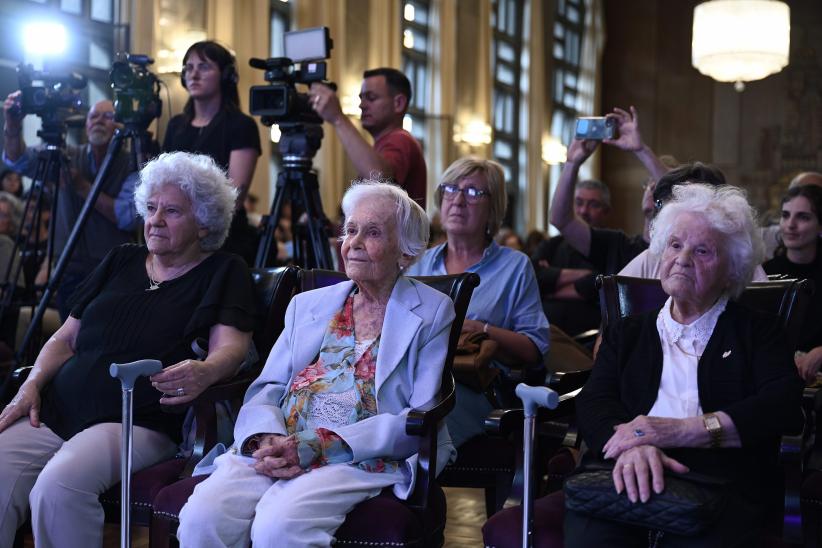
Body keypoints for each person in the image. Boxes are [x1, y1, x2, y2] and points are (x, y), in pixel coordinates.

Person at [177, 181, 455, 547]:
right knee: (202, 517)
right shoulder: (307, 306)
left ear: (404, 252)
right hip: (279, 442)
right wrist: (267, 436)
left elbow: (417, 416)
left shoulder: (432, 311)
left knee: (279, 526)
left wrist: (316, 445)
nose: (353, 242)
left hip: (355, 455)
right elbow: (267, 388)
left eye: (372, 233)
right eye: (350, 230)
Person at [0, 151, 255, 548]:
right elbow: (64, 340)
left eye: (172, 211)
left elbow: (232, 349)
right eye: (151, 208)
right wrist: (31, 384)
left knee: (58, 486)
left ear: (204, 222)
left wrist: (205, 371)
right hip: (58, 407)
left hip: (139, 417)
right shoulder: (122, 259)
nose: (155, 220)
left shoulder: (224, 271)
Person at [565, 184, 803, 547]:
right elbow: (595, 401)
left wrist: (677, 431)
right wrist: (635, 445)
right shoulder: (627, 332)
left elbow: (780, 406)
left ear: (731, 270)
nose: (683, 258)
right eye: (675, 245)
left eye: (702, 250)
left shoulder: (758, 331)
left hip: (719, 486)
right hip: (625, 474)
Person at [407, 157, 549, 447]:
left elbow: (535, 349)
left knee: (423, 417)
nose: (458, 200)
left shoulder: (515, 266)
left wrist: (481, 329)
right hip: (415, 381)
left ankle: (411, 485)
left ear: (492, 208)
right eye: (450, 189)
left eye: (472, 192)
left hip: (479, 388)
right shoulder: (420, 264)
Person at [2, 97, 136, 319]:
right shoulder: (67, 156)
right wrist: (13, 127)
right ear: (85, 124)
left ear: (120, 126)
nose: (99, 121)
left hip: (113, 272)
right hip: (70, 272)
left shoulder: (131, 162)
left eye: (108, 116)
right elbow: (18, 160)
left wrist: (82, 187)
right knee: (70, 345)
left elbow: (126, 217)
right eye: (93, 116)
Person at [164, 40, 262, 264]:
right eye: (189, 67)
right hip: (175, 235)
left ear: (226, 76)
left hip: (223, 239)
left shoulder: (241, 125)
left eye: (204, 66)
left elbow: (233, 196)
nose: (193, 74)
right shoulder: (176, 125)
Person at [550, 107, 670, 277]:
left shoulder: (680, 257)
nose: (654, 189)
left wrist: (641, 150)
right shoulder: (618, 246)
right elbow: (561, 220)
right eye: (650, 183)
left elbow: (673, 189)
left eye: (658, 183)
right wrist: (571, 164)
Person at [309, 67, 427, 208]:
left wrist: (338, 118)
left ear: (399, 103)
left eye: (371, 98)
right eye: (361, 98)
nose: (362, 105)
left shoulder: (401, 140)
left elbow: (379, 179)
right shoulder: (381, 147)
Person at [532, 179, 610, 336]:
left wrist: (551, 284)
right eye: (578, 203)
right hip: (543, 335)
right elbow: (533, 277)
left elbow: (600, 287)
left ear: (606, 212)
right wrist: (587, 274)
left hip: (590, 340)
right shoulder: (552, 245)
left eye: (593, 205)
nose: (583, 211)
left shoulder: (613, 248)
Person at [764, 185, 822, 383]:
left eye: (803, 217)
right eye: (785, 215)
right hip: (777, 375)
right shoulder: (766, 274)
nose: (790, 224)